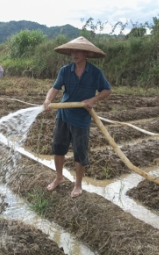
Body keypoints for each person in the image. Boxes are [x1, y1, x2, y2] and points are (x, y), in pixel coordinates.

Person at [43, 36, 112, 198]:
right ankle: (59, 177)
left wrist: (93, 100)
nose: (75, 54)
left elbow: (107, 90)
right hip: (63, 115)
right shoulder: (65, 70)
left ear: (86, 53)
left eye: (79, 51)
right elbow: (55, 88)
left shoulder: (95, 73)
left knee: (80, 151)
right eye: (73, 51)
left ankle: (78, 185)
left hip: (81, 118)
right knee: (58, 148)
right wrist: (48, 100)